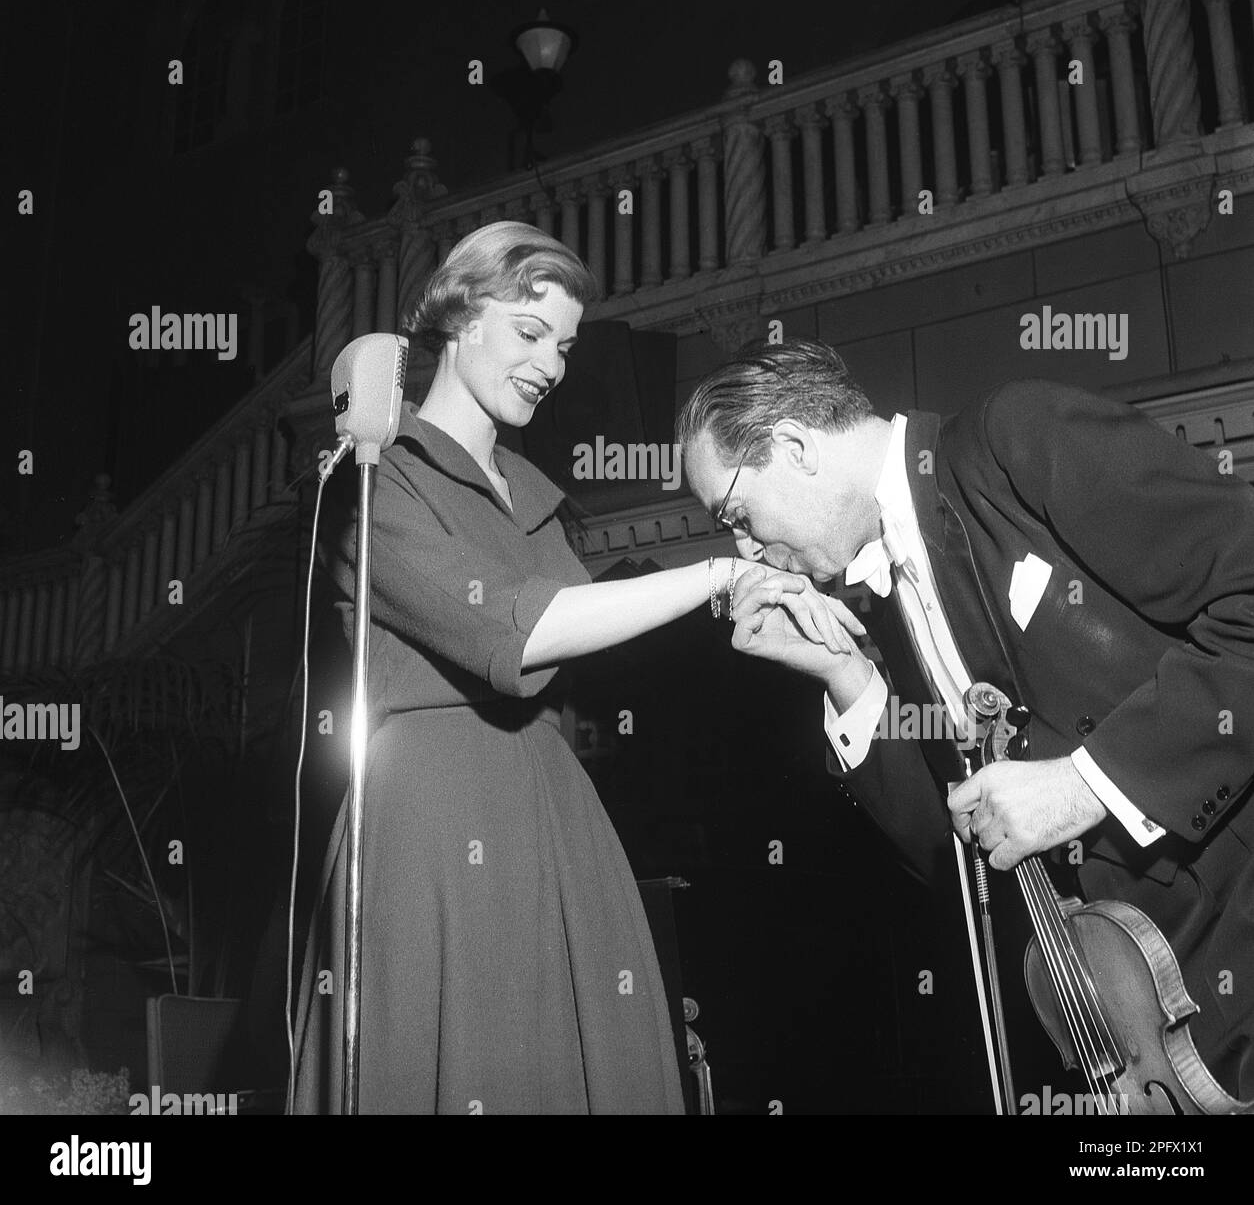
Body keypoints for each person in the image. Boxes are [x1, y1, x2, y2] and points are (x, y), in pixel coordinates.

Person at [291, 224, 845, 1114]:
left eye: (566, 345)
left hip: (553, 814)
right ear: (461, 318)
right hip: (430, 822)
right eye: (529, 332)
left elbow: (599, 640)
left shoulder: (533, 497)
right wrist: (717, 572)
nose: (551, 364)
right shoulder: (375, 484)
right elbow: (518, 634)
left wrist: (754, 604)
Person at [676, 336, 1254, 1104]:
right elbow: (954, 851)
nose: (744, 548)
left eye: (737, 514)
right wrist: (840, 672)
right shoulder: (885, 594)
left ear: (792, 446)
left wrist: (1088, 785)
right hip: (1136, 1033)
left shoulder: (1015, 438)